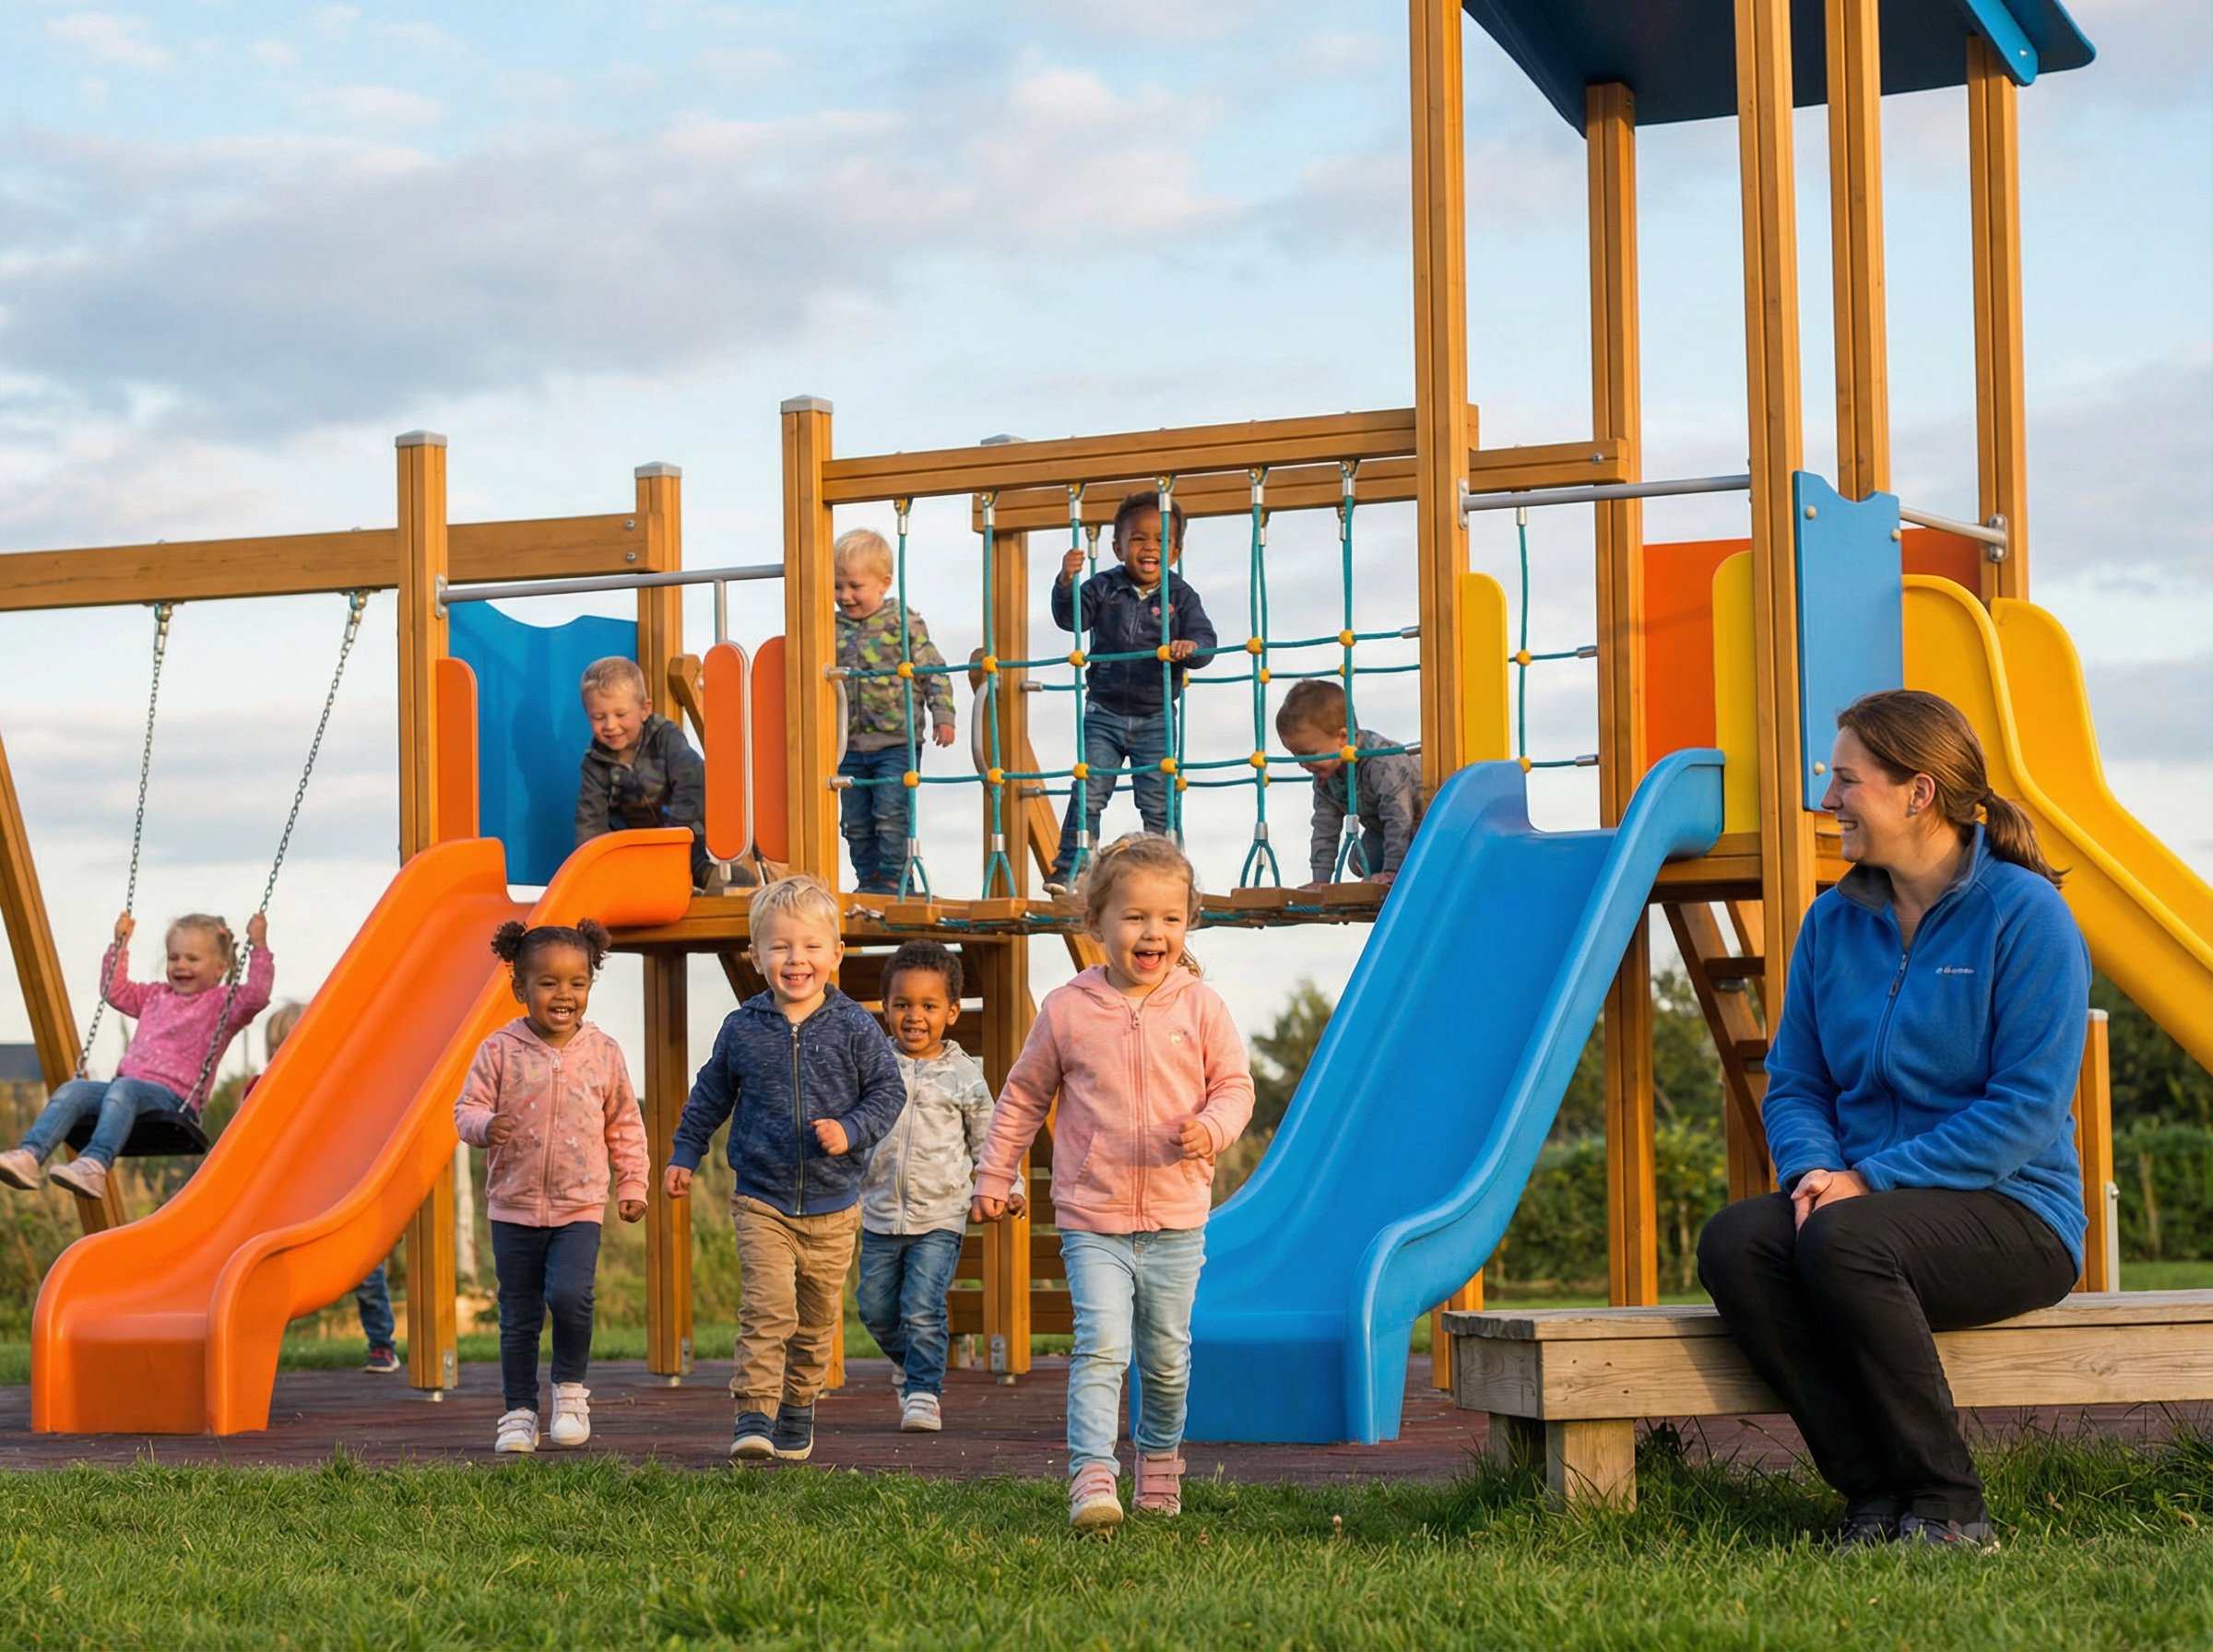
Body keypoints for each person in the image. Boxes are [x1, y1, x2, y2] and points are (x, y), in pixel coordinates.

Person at [1697, 689, 2090, 1552]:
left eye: (1845, 781)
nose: (1827, 800)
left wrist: (1869, 1180)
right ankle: (1874, 1500)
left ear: (1918, 794)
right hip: (1860, 1206)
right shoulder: (1832, 924)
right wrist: (1812, 1174)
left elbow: (2025, 1111)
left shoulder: (2026, 918)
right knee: (1737, 1240)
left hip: (2016, 1212)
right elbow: (1795, 1081)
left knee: (1846, 1240)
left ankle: (1950, 1509)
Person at [972, 834, 1254, 1530]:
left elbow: (1236, 1088)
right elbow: (1022, 1098)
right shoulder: (1066, 1010)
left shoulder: (1202, 1008)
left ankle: (1159, 1464)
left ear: (1187, 924)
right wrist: (994, 1172)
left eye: (1169, 917)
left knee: (1163, 1359)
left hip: (1177, 1218)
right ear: (1095, 924)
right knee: (1101, 1344)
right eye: (1134, 917)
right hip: (1092, 1216)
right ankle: (1091, 1476)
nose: (1152, 932)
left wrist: (1212, 1128)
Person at [665, 875, 908, 1464]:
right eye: (779, 947)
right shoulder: (743, 1028)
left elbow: (888, 1092)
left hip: (833, 1204)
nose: (795, 959)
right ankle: (753, 1414)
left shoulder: (854, 1026)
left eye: (809, 946)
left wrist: (850, 1129)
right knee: (768, 1307)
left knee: (815, 1320)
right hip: (762, 1198)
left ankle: (798, 1407)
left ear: (835, 954)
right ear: (755, 956)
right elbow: (709, 1095)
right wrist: (683, 1153)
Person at [455, 919, 647, 1455]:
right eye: (548, 983)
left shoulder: (603, 1052)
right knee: (518, 1314)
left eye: (577, 983)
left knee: (570, 1296)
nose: (564, 994)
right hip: (512, 1206)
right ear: (520, 988)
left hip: (579, 1204)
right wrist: (483, 1126)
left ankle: (569, 1391)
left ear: (589, 985)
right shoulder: (499, 1049)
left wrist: (632, 1181)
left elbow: (625, 1123)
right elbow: (465, 1109)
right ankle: (518, 1411)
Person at [855, 939, 1024, 1434]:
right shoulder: (872, 1066)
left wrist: (1004, 1184)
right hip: (879, 1211)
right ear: (885, 1008)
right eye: (903, 1004)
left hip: (941, 1216)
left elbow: (989, 1136)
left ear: (951, 1012)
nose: (914, 1016)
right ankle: (913, 1363)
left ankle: (924, 1392)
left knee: (922, 1307)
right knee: (875, 1308)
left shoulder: (965, 1074)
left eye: (928, 1006)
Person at [0, 911, 272, 1204]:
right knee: (73, 1090)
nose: (180, 965)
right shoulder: (155, 996)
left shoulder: (222, 1004)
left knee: (123, 1088)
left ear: (221, 968)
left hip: (174, 1100)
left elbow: (256, 995)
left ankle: (94, 1165)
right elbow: (114, 991)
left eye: (192, 959)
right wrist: (120, 944)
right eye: (173, 958)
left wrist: (259, 946)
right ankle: (30, 1156)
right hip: (127, 1092)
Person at [1045, 492, 1218, 891]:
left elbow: (1205, 640)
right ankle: (1074, 867)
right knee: (1089, 790)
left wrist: (1189, 649)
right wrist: (1066, 583)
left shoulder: (1181, 597)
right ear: (1117, 547)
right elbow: (1070, 618)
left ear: (1175, 551)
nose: (1149, 547)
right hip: (1103, 710)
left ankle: (1167, 869)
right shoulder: (1103, 587)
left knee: (1158, 798)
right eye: (1138, 539)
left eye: (1160, 540)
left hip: (1156, 715)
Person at [254, 1001, 402, 1374]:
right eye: (278, 1046)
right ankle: (259, 1349)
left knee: (366, 1271)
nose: (285, 1054)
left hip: (338, 1196)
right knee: (270, 1277)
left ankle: (382, 1344)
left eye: (296, 1043)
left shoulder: (331, 1088)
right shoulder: (261, 1090)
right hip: (287, 1199)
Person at [834, 526, 957, 895]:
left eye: (856, 586)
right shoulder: (829, 628)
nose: (846, 596)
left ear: (884, 583)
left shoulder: (902, 623)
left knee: (890, 812)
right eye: (838, 586)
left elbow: (932, 669)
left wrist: (943, 715)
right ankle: (868, 879)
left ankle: (894, 877)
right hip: (846, 744)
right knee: (854, 820)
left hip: (894, 740)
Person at [573, 655, 713, 892]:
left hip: (685, 831)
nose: (610, 725)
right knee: (615, 857)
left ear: (644, 710)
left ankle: (705, 874)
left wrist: (676, 836)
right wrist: (588, 863)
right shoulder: (595, 763)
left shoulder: (665, 737)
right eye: (598, 717)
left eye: (620, 714)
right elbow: (590, 818)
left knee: (696, 847)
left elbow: (690, 783)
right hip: (640, 844)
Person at [1273, 678, 1424, 889]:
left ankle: (1401, 868)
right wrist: (1321, 880)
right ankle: (1390, 866)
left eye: (1308, 754)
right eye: (1295, 755)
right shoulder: (1326, 777)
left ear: (1342, 738)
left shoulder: (1381, 764)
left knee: (1392, 852)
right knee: (1358, 860)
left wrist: (1392, 870)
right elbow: (1324, 827)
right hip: (1380, 829)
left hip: (1426, 823)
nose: (1302, 764)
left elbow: (1398, 817)